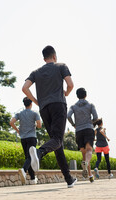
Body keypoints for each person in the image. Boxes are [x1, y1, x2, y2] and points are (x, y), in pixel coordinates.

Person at [22, 45, 77, 188]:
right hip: (58, 105)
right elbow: (70, 84)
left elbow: (24, 88)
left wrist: (35, 101)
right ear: (54, 56)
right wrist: (66, 93)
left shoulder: (36, 72)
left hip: (44, 108)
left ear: (44, 58)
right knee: (58, 139)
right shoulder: (61, 66)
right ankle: (39, 153)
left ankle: (68, 179)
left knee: (57, 143)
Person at [67, 88, 98, 183]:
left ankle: (90, 175)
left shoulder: (73, 106)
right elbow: (96, 117)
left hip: (79, 130)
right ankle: (87, 167)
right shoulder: (90, 105)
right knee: (89, 150)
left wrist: (73, 124)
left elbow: (68, 116)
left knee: (84, 153)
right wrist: (91, 123)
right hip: (88, 128)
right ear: (86, 95)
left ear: (77, 96)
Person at [10, 97, 42, 185]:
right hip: (32, 137)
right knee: (31, 157)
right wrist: (35, 124)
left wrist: (18, 130)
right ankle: (24, 170)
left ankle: (32, 178)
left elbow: (11, 122)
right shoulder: (35, 113)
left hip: (23, 138)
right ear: (31, 104)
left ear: (24, 104)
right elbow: (39, 125)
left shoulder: (19, 114)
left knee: (28, 157)